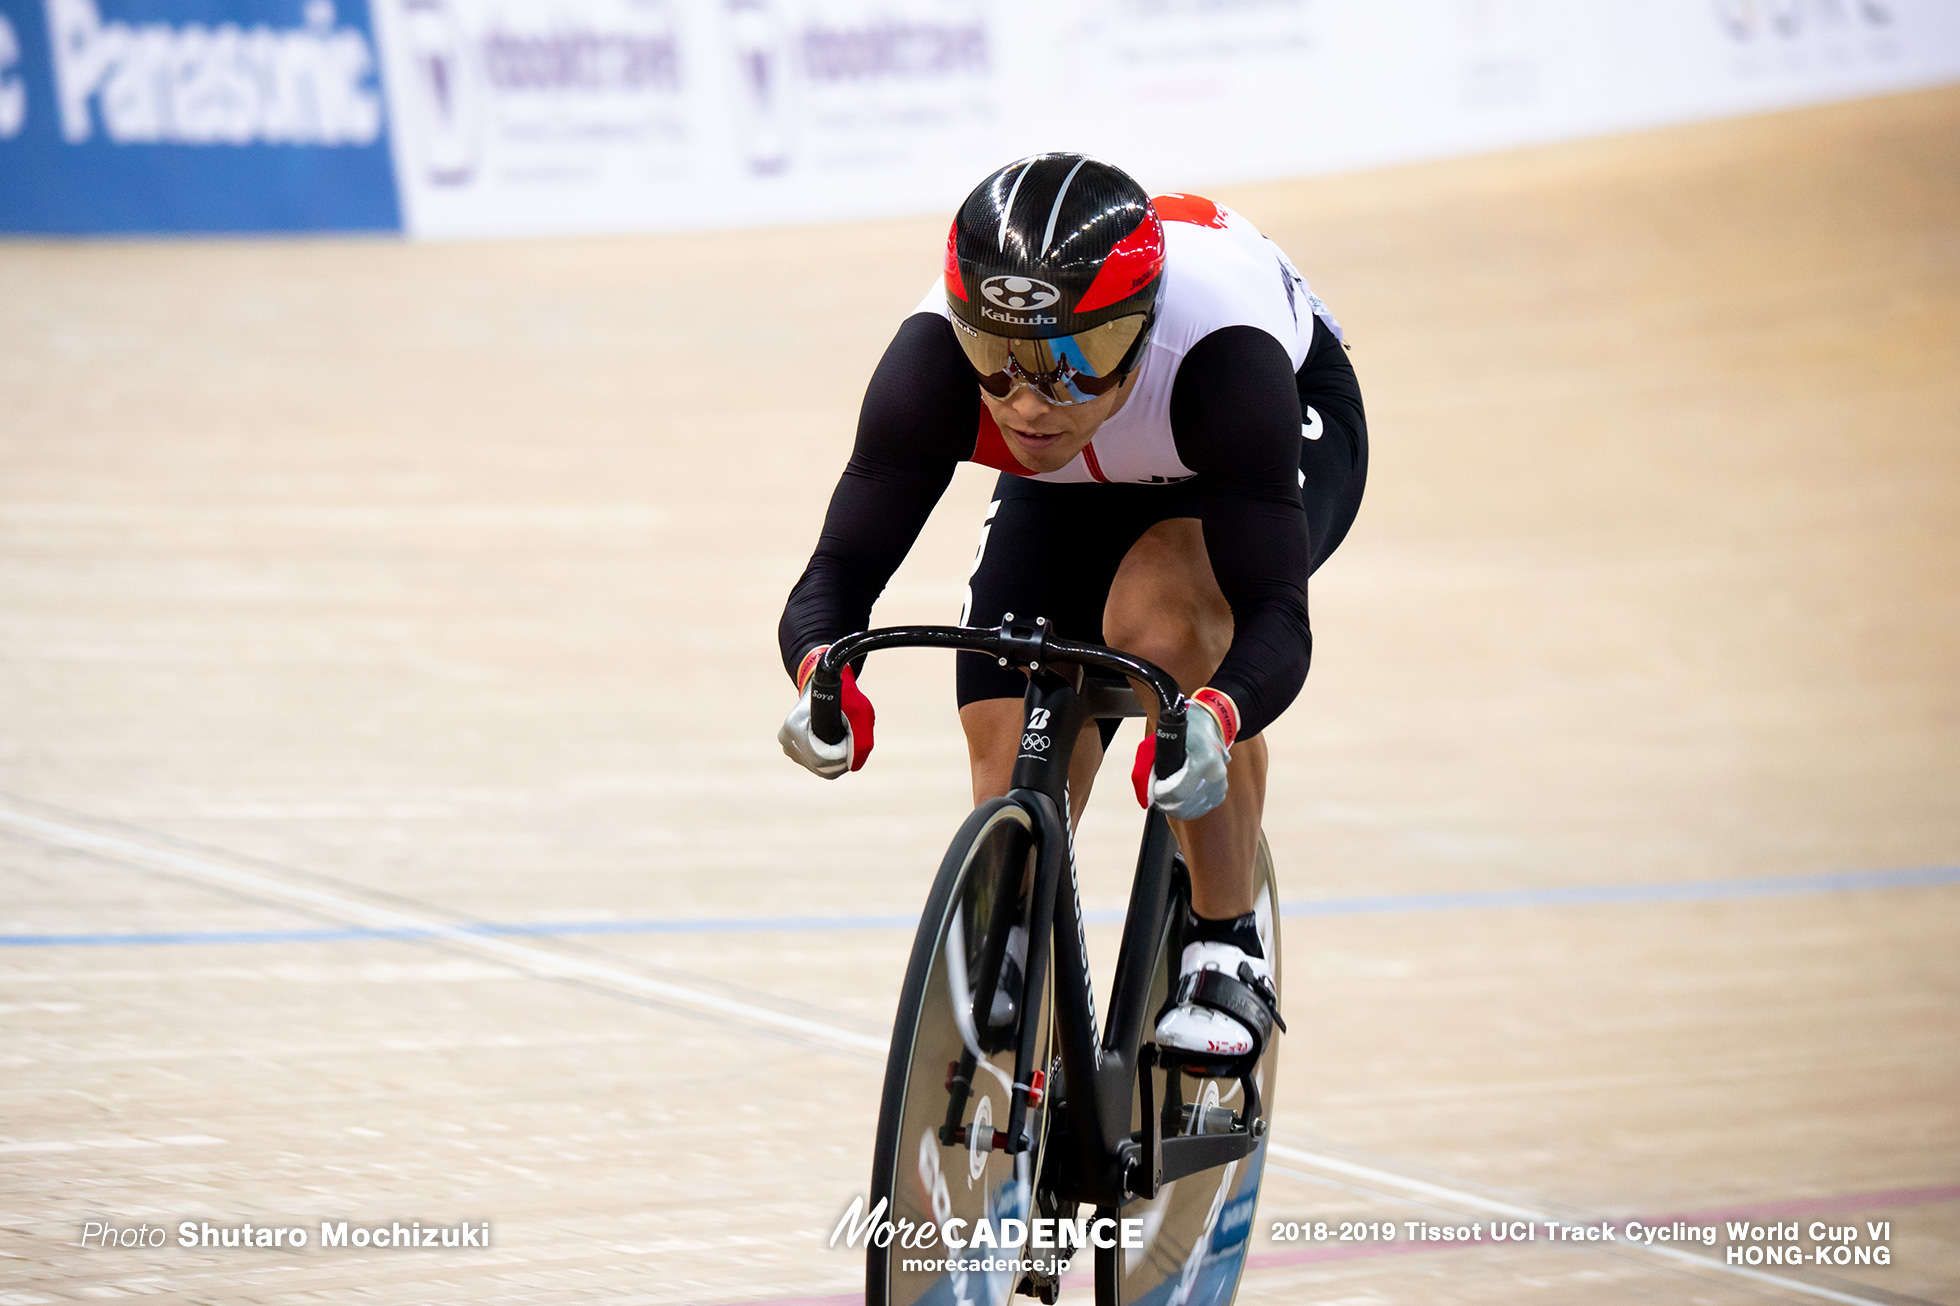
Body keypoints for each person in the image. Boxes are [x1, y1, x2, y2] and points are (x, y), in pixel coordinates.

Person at [777, 153, 1367, 1068]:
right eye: (997, 361)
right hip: (1092, 463)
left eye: (1075, 362)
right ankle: (1016, 929)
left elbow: (1277, 623)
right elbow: (833, 579)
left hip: (1250, 434)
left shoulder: (1222, 360)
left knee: (1163, 621)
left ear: (1136, 331)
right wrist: (823, 673)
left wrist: (1212, 713)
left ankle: (1225, 947)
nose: (1027, 404)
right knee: (1012, 713)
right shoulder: (936, 364)